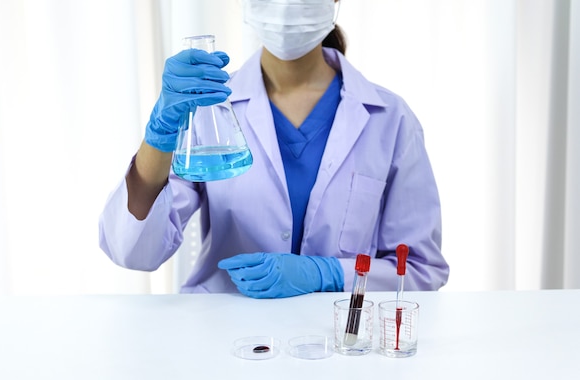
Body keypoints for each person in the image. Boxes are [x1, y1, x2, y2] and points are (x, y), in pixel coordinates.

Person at [99, 0, 449, 298]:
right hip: (222, 343)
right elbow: (133, 251)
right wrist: (160, 132)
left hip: (339, 350)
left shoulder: (389, 119)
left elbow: (419, 271)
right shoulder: (211, 110)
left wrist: (325, 274)